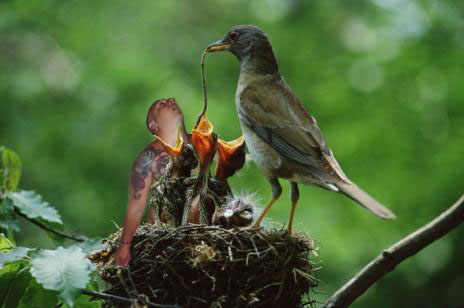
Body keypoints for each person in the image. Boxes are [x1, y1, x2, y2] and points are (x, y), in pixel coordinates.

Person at [114, 98, 191, 266]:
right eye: (161, 104)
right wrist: (124, 245)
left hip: (204, 233)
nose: (172, 100)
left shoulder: (204, 144)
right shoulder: (146, 160)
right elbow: (136, 206)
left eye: (170, 100)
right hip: (164, 240)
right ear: (153, 125)